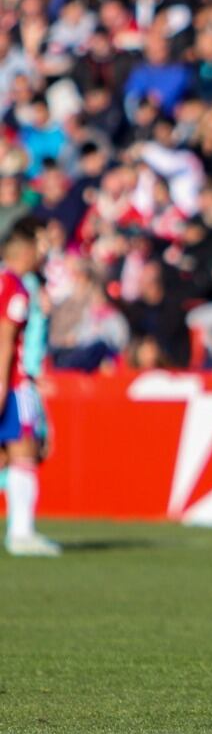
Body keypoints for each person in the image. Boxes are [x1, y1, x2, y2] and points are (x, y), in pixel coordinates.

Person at [0, 220, 56, 557]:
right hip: (15, 383)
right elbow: (6, 341)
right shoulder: (16, 288)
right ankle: (21, 533)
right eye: (40, 246)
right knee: (24, 452)